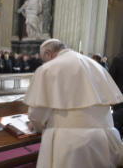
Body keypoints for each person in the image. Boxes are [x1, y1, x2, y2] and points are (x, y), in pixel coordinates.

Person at [24, 39, 123, 168]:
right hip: (105, 139)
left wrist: (36, 125)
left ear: (48, 53)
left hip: (71, 143)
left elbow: (38, 113)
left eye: (44, 59)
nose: (45, 63)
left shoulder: (48, 69)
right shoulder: (96, 65)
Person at [110, 54, 123, 139]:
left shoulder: (118, 59)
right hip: (120, 102)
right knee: (119, 131)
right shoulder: (118, 60)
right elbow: (110, 80)